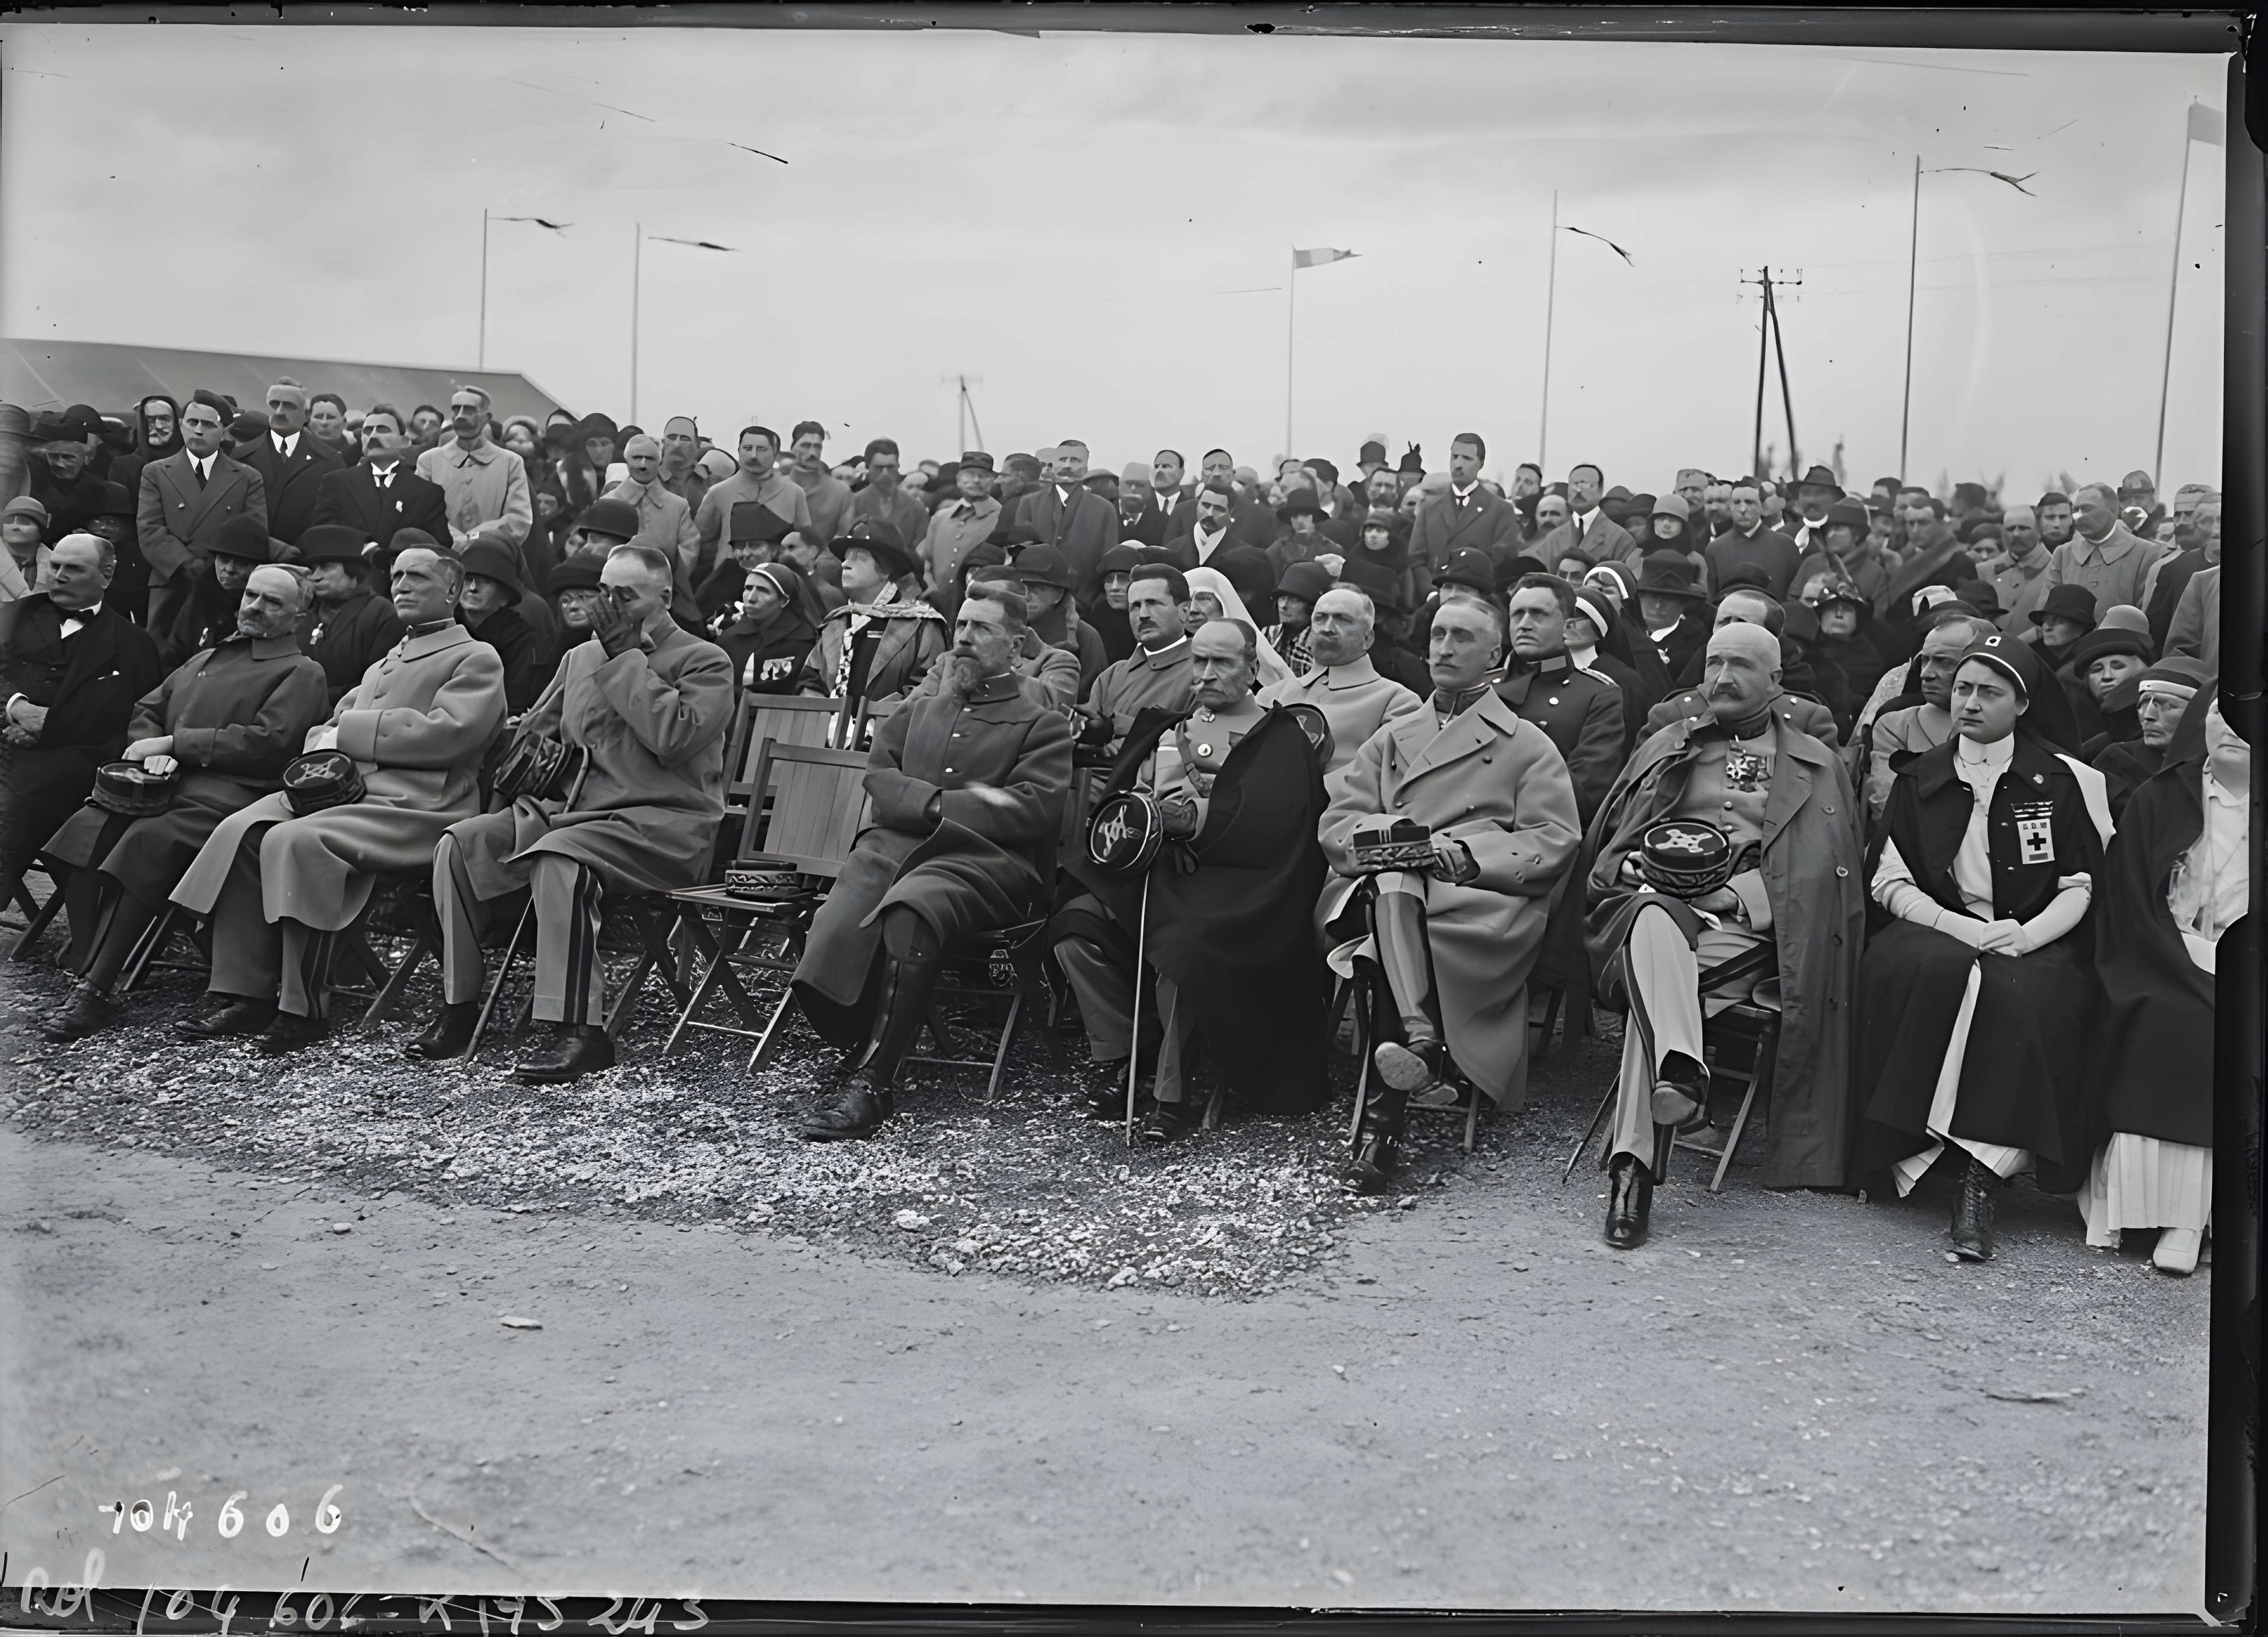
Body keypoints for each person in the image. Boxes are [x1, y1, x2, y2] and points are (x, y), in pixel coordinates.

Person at [1583, 621, 1865, 1248]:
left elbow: (1825, 871)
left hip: (1750, 931)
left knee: (1649, 1010)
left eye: (1740, 665)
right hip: (1651, 910)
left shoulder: (1817, 765)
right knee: (1653, 914)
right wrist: (1625, 866)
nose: (1723, 677)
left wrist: (1736, 896)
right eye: (1713, 663)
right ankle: (1684, 1073)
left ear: (1776, 681)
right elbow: (1610, 843)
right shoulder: (1667, 745)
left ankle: (1632, 1173)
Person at [165, 546, 508, 1052]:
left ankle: (302, 1008)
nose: (402, 585)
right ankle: (242, 992)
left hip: (418, 807)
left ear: (454, 592)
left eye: (418, 577)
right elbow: (327, 727)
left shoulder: (475, 656)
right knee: (241, 829)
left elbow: (452, 734)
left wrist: (345, 733)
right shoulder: (390, 656)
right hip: (349, 795)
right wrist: (325, 738)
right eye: (397, 576)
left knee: (294, 841)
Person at [411, 545, 732, 1081]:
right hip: (572, 814)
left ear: (666, 597)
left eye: (625, 595)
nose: (609, 605)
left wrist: (627, 656)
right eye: (604, 591)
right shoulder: (581, 656)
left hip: (661, 822)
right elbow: (542, 728)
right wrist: (519, 755)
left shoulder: (704, 659)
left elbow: (674, 738)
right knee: (460, 846)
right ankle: (460, 1006)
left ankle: (580, 1031)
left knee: (559, 860)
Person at [1854, 631, 2112, 1260]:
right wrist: (1963, 930)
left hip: (2036, 937)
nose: (1970, 702)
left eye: (1989, 692)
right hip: (1936, 929)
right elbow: (1889, 881)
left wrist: (2026, 934)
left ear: (2022, 704)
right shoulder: (1921, 776)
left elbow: (2083, 884)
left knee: (2031, 1000)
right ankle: (1910, 1152)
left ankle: (1982, 1175)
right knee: (1933, 975)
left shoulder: (2068, 780)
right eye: (1963, 688)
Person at [1320, 596, 1582, 1191]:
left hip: (1481, 903)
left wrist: (1468, 856)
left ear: (1495, 654)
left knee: (1381, 945)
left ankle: (1383, 1125)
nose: (1443, 647)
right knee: (1392, 884)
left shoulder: (1525, 744)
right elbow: (1339, 822)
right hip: (1385, 893)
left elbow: (1554, 838)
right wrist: (1389, 841)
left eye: (1462, 637)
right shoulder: (1394, 738)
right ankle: (1420, 1052)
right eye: (1437, 634)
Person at [790, 588, 1072, 1139]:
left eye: (981, 629)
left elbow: (1031, 808)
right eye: (961, 625)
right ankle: (855, 1031)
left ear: (1016, 647)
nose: (963, 637)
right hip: (896, 852)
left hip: (991, 866)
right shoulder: (920, 710)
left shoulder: (1041, 724)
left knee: (912, 909)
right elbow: (879, 775)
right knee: (842, 914)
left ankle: (875, 1083)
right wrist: (933, 803)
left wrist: (934, 807)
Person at [1052, 619, 1332, 1139]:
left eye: (1221, 663)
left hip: (1239, 886)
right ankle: (1129, 1056)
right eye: (1198, 662)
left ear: (1252, 668)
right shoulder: (1165, 728)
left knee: (1182, 952)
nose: (1205, 674)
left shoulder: (1281, 738)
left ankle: (1169, 1095)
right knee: (1075, 925)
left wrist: (1195, 819)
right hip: (1152, 874)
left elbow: (1277, 831)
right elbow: (1125, 801)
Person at [37, 564, 330, 1042]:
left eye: (273, 601)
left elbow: (270, 742)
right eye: (252, 596)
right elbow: (149, 708)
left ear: (300, 616)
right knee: (85, 828)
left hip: (232, 795)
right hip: (163, 785)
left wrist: (177, 745)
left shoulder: (301, 671)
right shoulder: (207, 657)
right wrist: (154, 749)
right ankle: (90, 961)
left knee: (149, 842)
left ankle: (97, 988)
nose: (255, 606)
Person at [2077, 690, 2241, 1274]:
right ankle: (2165, 1214)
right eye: (2224, 711)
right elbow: (2128, 906)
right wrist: (2189, 957)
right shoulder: (2160, 798)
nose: (2234, 726)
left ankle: (2199, 1218)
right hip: (2161, 957)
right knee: (2183, 1021)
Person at [0, 534, 167, 914]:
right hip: (6, 740)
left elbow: (129, 716)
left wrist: (51, 726)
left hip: (76, 760)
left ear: (106, 575)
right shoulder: (12, 616)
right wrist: (16, 707)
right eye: (55, 566)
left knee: (15, 803)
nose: (58, 576)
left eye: (73, 568)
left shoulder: (134, 643)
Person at [136, 390, 270, 646]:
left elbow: (253, 533)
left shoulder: (248, 478)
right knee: (160, 654)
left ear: (224, 431)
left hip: (222, 585)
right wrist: (187, 565)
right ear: (182, 426)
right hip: (171, 580)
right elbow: (149, 529)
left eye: (209, 425)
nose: (198, 431)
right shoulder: (155, 473)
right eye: (192, 423)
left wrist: (212, 571)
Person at [796, 520, 946, 742]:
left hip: (888, 742)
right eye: (846, 557)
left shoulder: (922, 624)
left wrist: (872, 723)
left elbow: (928, 686)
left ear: (885, 570)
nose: (845, 564)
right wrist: (823, 720)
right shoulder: (837, 622)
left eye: (859, 558)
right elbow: (811, 680)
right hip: (821, 741)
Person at [1254, 584, 1425, 778]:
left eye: (1342, 619)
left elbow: (1389, 779)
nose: (1327, 628)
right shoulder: (1270, 695)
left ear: (1368, 638)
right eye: (1320, 618)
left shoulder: (1397, 701)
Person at [1497, 574, 1625, 824]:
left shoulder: (1597, 695)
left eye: (1538, 614)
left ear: (1567, 625)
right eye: (1517, 614)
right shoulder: (1481, 687)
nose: (1524, 624)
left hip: (1537, 831)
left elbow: (1583, 798)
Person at [1862, 612, 1997, 823]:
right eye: (1925, 660)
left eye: (1944, 662)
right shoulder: (1896, 726)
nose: (1926, 673)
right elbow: (1890, 806)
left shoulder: (2008, 725)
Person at [311, 405, 453, 565]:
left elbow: (439, 545)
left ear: (404, 441)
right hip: (350, 574)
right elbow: (324, 531)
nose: (373, 436)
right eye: (367, 431)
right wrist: (365, 547)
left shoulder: (428, 492)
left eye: (383, 430)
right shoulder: (336, 483)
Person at [1081, 563, 1197, 756]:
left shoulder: (1203, 672)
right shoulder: (1111, 676)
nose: (1143, 615)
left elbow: (1188, 743)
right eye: (1135, 606)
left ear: (1185, 611)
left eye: (1153, 603)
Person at [414, 387, 533, 560]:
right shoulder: (429, 461)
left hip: (490, 560)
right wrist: (454, 540)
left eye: (469, 410)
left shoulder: (510, 463)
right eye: (457, 409)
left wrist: (475, 539)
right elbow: (419, 512)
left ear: (487, 417)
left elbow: (519, 519)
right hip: (438, 560)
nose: (461, 416)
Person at [692, 426, 816, 588]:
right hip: (726, 585)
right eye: (748, 448)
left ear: (774, 454)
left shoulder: (794, 493)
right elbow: (700, 546)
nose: (754, 455)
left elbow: (803, 545)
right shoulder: (718, 493)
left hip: (777, 584)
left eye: (762, 449)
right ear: (739, 451)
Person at [295, 524, 407, 704]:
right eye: (313, 569)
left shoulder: (383, 614)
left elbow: (378, 683)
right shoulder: (305, 617)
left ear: (353, 573)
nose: (315, 577)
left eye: (326, 568)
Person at [234, 379, 344, 552]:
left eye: (289, 406)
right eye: (274, 405)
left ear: (306, 415)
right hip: (248, 556)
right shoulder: (241, 458)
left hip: (302, 561)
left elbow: (331, 521)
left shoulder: (330, 462)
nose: (279, 412)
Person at [2094, 658, 2211, 816]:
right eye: (2143, 703)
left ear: (2200, 713)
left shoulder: (2218, 765)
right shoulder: (2116, 762)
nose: (2148, 715)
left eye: (2167, 705)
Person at [1014, 439, 1118, 606]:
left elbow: (1108, 561)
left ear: (1086, 469)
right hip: (1035, 601)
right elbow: (1019, 554)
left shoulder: (1105, 509)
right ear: (1053, 465)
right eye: (1062, 460)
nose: (1068, 466)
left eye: (1076, 461)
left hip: (1085, 602)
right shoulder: (1029, 504)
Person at [457, 540, 549, 715]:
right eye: (468, 580)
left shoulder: (523, 642)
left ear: (505, 597)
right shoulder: (445, 628)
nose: (473, 588)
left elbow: (514, 704)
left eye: (486, 582)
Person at [1413, 433, 1524, 572]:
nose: (1458, 465)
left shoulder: (1501, 510)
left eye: (1467, 459)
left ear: (1481, 463)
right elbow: (1415, 560)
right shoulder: (1429, 508)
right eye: (1455, 457)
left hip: (1475, 590)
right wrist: (1430, 593)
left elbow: (1503, 562)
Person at [713, 559, 823, 698]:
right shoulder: (729, 639)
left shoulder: (804, 643)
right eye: (748, 588)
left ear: (784, 601)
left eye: (763, 591)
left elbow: (783, 691)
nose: (751, 598)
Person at [1009, 544, 1107, 696]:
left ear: (1059, 594)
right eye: (1022, 587)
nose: (1026, 596)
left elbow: (1092, 699)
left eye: (1036, 588)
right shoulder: (1008, 628)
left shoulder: (1086, 638)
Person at [606, 433, 701, 582]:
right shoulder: (608, 503)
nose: (643, 465)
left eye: (650, 459)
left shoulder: (678, 506)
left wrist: (667, 582)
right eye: (637, 458)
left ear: (659, 461)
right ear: (627, 460)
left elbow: (689, 550)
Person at [921, 452, 1003, 612]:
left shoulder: (1001, 517)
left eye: (983, 476)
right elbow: (927, 564)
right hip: (938, 607)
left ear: (992, 480)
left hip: (980, 608)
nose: (976, 480)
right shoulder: (940, 518)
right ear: (959, 479)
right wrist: (932, 589)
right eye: (969, 475)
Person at [1531, 462, 1635, 571]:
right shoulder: (1552, 539)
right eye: (1574, 485)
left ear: (1600, 491)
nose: (1578, 491)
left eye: (1585, 485)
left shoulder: (1620, 539)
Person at [840, 437, 931, 553]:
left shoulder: (917, 508)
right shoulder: (852, 505)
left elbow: (920, 553)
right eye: (879, 468)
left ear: (898, 466)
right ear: (868, 467)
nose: (885, 474)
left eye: (890, 467)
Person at [1630, 553, 1712, 677]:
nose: (1658, 606)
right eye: (1652, 596)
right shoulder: (1622, 633)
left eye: (1668, 599)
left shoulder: (1698, 645)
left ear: (1683, 604)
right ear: (1639, 598)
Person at [786, 420, 853, 544]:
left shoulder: (840, 492)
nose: (812, 453)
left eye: (817, 447)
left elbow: (843, 540)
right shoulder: (775, 487)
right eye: (805, 446)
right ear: (793, 448)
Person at [1265, 560, 1334, 679]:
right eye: (1282, 597)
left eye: (1294, 600)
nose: (1283, 605)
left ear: (1313, 606)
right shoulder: (1268, 635)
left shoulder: (1320, 649)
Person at [2, 495, 55, 605]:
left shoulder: (58, 567)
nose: (15, 526)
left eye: (23, 521)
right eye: (9, 521)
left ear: (40, 527)